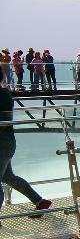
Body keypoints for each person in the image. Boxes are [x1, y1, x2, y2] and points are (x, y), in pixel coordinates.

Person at [0, 85, 52, 221]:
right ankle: (40, 202)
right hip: (6, 143)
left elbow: (3, 121)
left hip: (2, 144)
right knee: (8, 177)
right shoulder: (4, 93)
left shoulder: (2, 95)